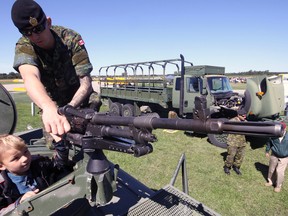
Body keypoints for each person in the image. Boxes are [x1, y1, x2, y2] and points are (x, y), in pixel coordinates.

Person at [11, 0, 101, 146]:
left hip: (81, 101)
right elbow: (30, 77)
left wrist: (69, 108)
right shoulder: (24, 46)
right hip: (53, 106)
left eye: (38, 28)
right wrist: (49, 107)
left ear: (48, 22)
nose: (35, 36)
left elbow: (86, 82)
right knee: (56, 147)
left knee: (89, 145)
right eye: (27, 33)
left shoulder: (71, 39)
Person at [0, 134, 73, 215]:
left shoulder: (39, 164)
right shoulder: (2, 185)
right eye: (16, 158)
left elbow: (59, 165)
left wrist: (60, 144)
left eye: (26, 151)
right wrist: (19, 203)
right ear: (1, 166)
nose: (25, 158)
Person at [264, 121, 288, 193]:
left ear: (285, 129)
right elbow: (269, 143)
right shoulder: (273, 135)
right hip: (274, 155)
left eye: (281, 129)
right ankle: (270, 181)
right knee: (271, 169)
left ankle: (278, 186)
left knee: (279, 171)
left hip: (284, 157)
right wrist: (267, 151)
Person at [223, 109, 247, 175]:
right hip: (232, 142)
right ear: (238, 115)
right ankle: (227, 167)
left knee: (240, 156)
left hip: (242, 142)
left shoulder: (245, 122)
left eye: (245, 116)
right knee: (231, 156)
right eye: (243, 116)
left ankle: (236, 167)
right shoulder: (232, 121)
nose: (245, 117)